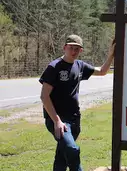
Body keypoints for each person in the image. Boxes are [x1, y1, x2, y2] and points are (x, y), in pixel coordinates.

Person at [39, 34, 115, 171]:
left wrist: (110, 55)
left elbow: (102, 71)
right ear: (64, 48)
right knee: (72, 149)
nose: (73, 51)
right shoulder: (54, 67)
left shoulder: (80, 66)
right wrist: (57, 121)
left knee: (62, 158)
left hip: (75, 119)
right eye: (71, 48)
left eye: (77, 49)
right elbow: (44, 96)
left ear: (81, 51)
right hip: (58, 120)